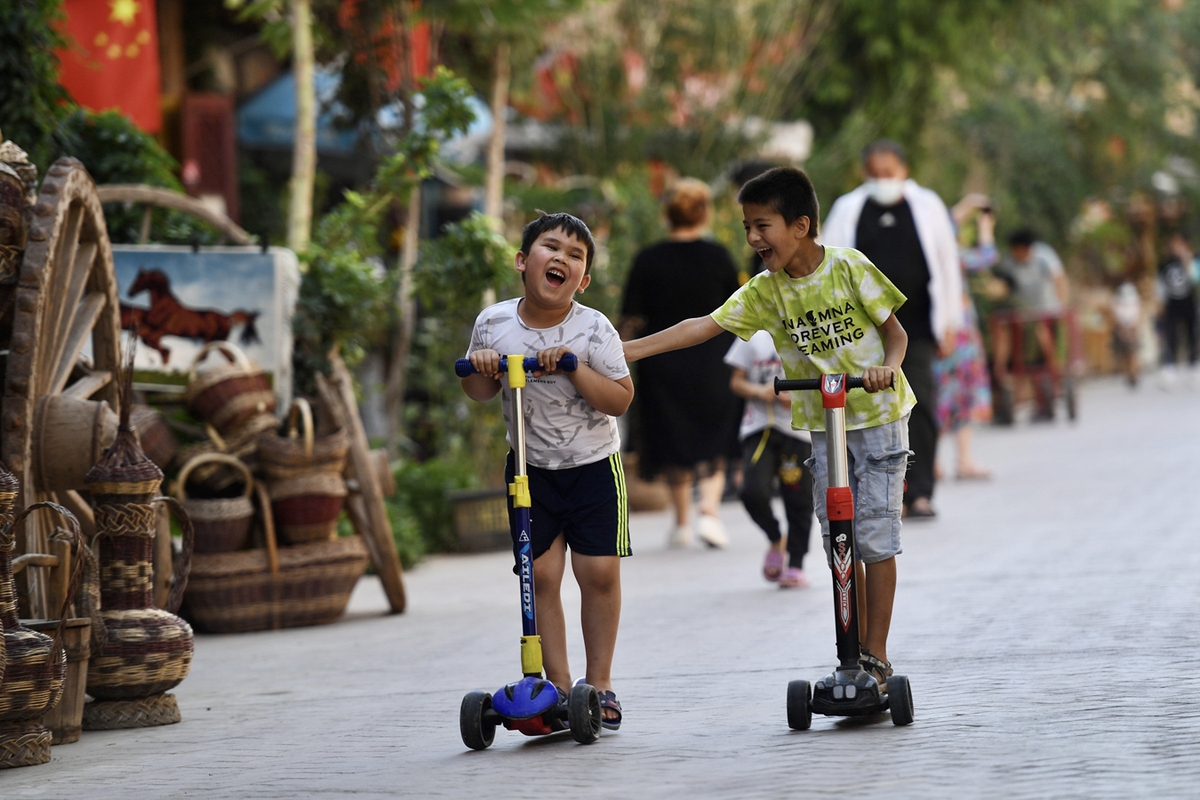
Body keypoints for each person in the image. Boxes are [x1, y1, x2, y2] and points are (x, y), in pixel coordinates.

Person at [623, 166, 915, 689]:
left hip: (879, 416)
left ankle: (877, 654)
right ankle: (855, 657)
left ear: (800, 226)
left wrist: (887, 368)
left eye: (763, 226)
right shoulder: (766, 291)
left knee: (875, 537)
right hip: (825, 425)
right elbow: (702, 326)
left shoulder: (849, 268)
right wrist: (628, 350)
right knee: (840, 541)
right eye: (747, 228)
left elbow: (896, 335)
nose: (754, 238)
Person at [462, 212, 634, 729]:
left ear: (582, 280)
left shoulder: (593, 327)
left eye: (575, 255)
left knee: (597, 574)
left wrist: (575, 367)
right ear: (522, 261)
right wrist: (485, 365)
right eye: (550, 247)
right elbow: (476, 388)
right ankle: (557, 689)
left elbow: (621, 398)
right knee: (539, 575)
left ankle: (598, 683)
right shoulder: (493, 323)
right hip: (530, 471)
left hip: (593, 468)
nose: (561, 258)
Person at [821, 140, 960, 519]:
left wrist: (950, 322)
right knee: (873, 411)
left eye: (890, 172)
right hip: (863, 332)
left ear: (903, 169)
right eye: (876, 173)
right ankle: (883, 493)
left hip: (917, 328)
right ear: (866, 173)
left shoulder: (927, 205)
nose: (884, 180)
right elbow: (828, 263)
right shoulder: (849, 209)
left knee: (923, 405)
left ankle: (922, 492)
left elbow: (947, 264)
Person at [620, 178, 742, 549]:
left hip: (662, 361)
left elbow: (629, 316)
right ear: (704, 213)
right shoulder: (719, 256)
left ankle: (683, 522)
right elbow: (739, 308)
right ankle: (709, 511)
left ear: (667, 214)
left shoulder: (648, 258)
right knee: (715, 435)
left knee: (672, 437)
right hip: (714, 359)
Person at [726, 331, 815, 587]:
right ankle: (776, 539)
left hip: (797, 431)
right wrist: (760, 391)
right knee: (752, 492)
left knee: (798, 499)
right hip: (759, 427)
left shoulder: (807, 332)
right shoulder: (752, 335)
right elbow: (736, 381)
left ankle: (796, 565)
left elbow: (825, 377)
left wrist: (798, 397)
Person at [935, 194, 996, 480]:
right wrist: (985, 225)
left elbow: (942, 224)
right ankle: (963, 460)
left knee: (936, 395)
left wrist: (967, 205)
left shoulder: (930, 255)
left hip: (934, 333)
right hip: (958, 334)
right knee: (963, 394)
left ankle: (933, 462)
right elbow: (987, 257)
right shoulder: (952, 257)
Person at [992, 228, 1069, 417]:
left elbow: (1060, 280)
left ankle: (1055, 378)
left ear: (1026, 248)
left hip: (1046, 310)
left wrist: (1062, 306)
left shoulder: (1044, 256)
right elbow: (1004, 286)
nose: (1015, 254)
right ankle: (1003, 380)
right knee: (1007, 338)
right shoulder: (1010, 262)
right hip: (1022, 313)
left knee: (1042, 336)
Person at [1156, 232, 1198, 388]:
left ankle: (1193, 368)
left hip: (1188, 303)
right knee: (1171, 336)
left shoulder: (1191, 259)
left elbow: (1195, 278)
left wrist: (1186, 259)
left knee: (1191, 335)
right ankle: (1169, 369)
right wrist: (1159, 303)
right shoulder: (1164, 263)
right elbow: (1159, 284)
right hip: (1171, 305)